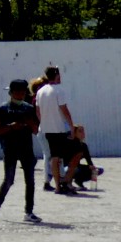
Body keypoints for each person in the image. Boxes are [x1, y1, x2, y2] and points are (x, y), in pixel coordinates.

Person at [0, 78, 42, 222]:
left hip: (26, 148)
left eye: (22, 92)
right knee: (8, 179)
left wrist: (30, 122)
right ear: (11, 93)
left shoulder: (29, 109)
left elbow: (36, 130)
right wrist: (12, 126)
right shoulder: (3, 109)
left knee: (30, 181)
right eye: (17, 92)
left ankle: (28, 212)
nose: (20, 95)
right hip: (10, 148)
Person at [35, 65, 75, 194]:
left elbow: (38, 111)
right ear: (57, 75)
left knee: (53, 157)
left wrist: (44, 122)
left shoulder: (40, 91)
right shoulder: (59, 90)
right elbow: (64, 109)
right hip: (58, 128)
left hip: (46, 129)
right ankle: (62, 183)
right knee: (59, 157)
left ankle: (58, 185)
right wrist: (71, 125)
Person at [64, 124, 104, 189]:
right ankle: (68, 183)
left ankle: (79, 181)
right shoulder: (69, 144)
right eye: (80, 131)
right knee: (74, 169)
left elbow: (88, 159)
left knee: (99, 170)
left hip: (77, 167)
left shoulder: (83, 146)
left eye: (83, 131)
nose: (83, 133)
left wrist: (91, 166)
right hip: (66, 168)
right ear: (74, 133)